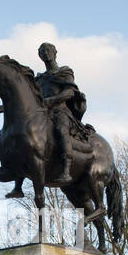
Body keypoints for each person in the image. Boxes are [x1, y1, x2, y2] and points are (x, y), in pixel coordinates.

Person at [34, 42, 88, 183]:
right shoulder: (39, 79)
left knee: (60, 130)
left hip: (60, 111)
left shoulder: (64, 72)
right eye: (42, 51)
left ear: (55, 52)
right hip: (42, 114)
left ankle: (66, 170)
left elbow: (70, 92)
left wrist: (51, 100)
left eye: (48, 50)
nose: (45, 53)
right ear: (40, 56)